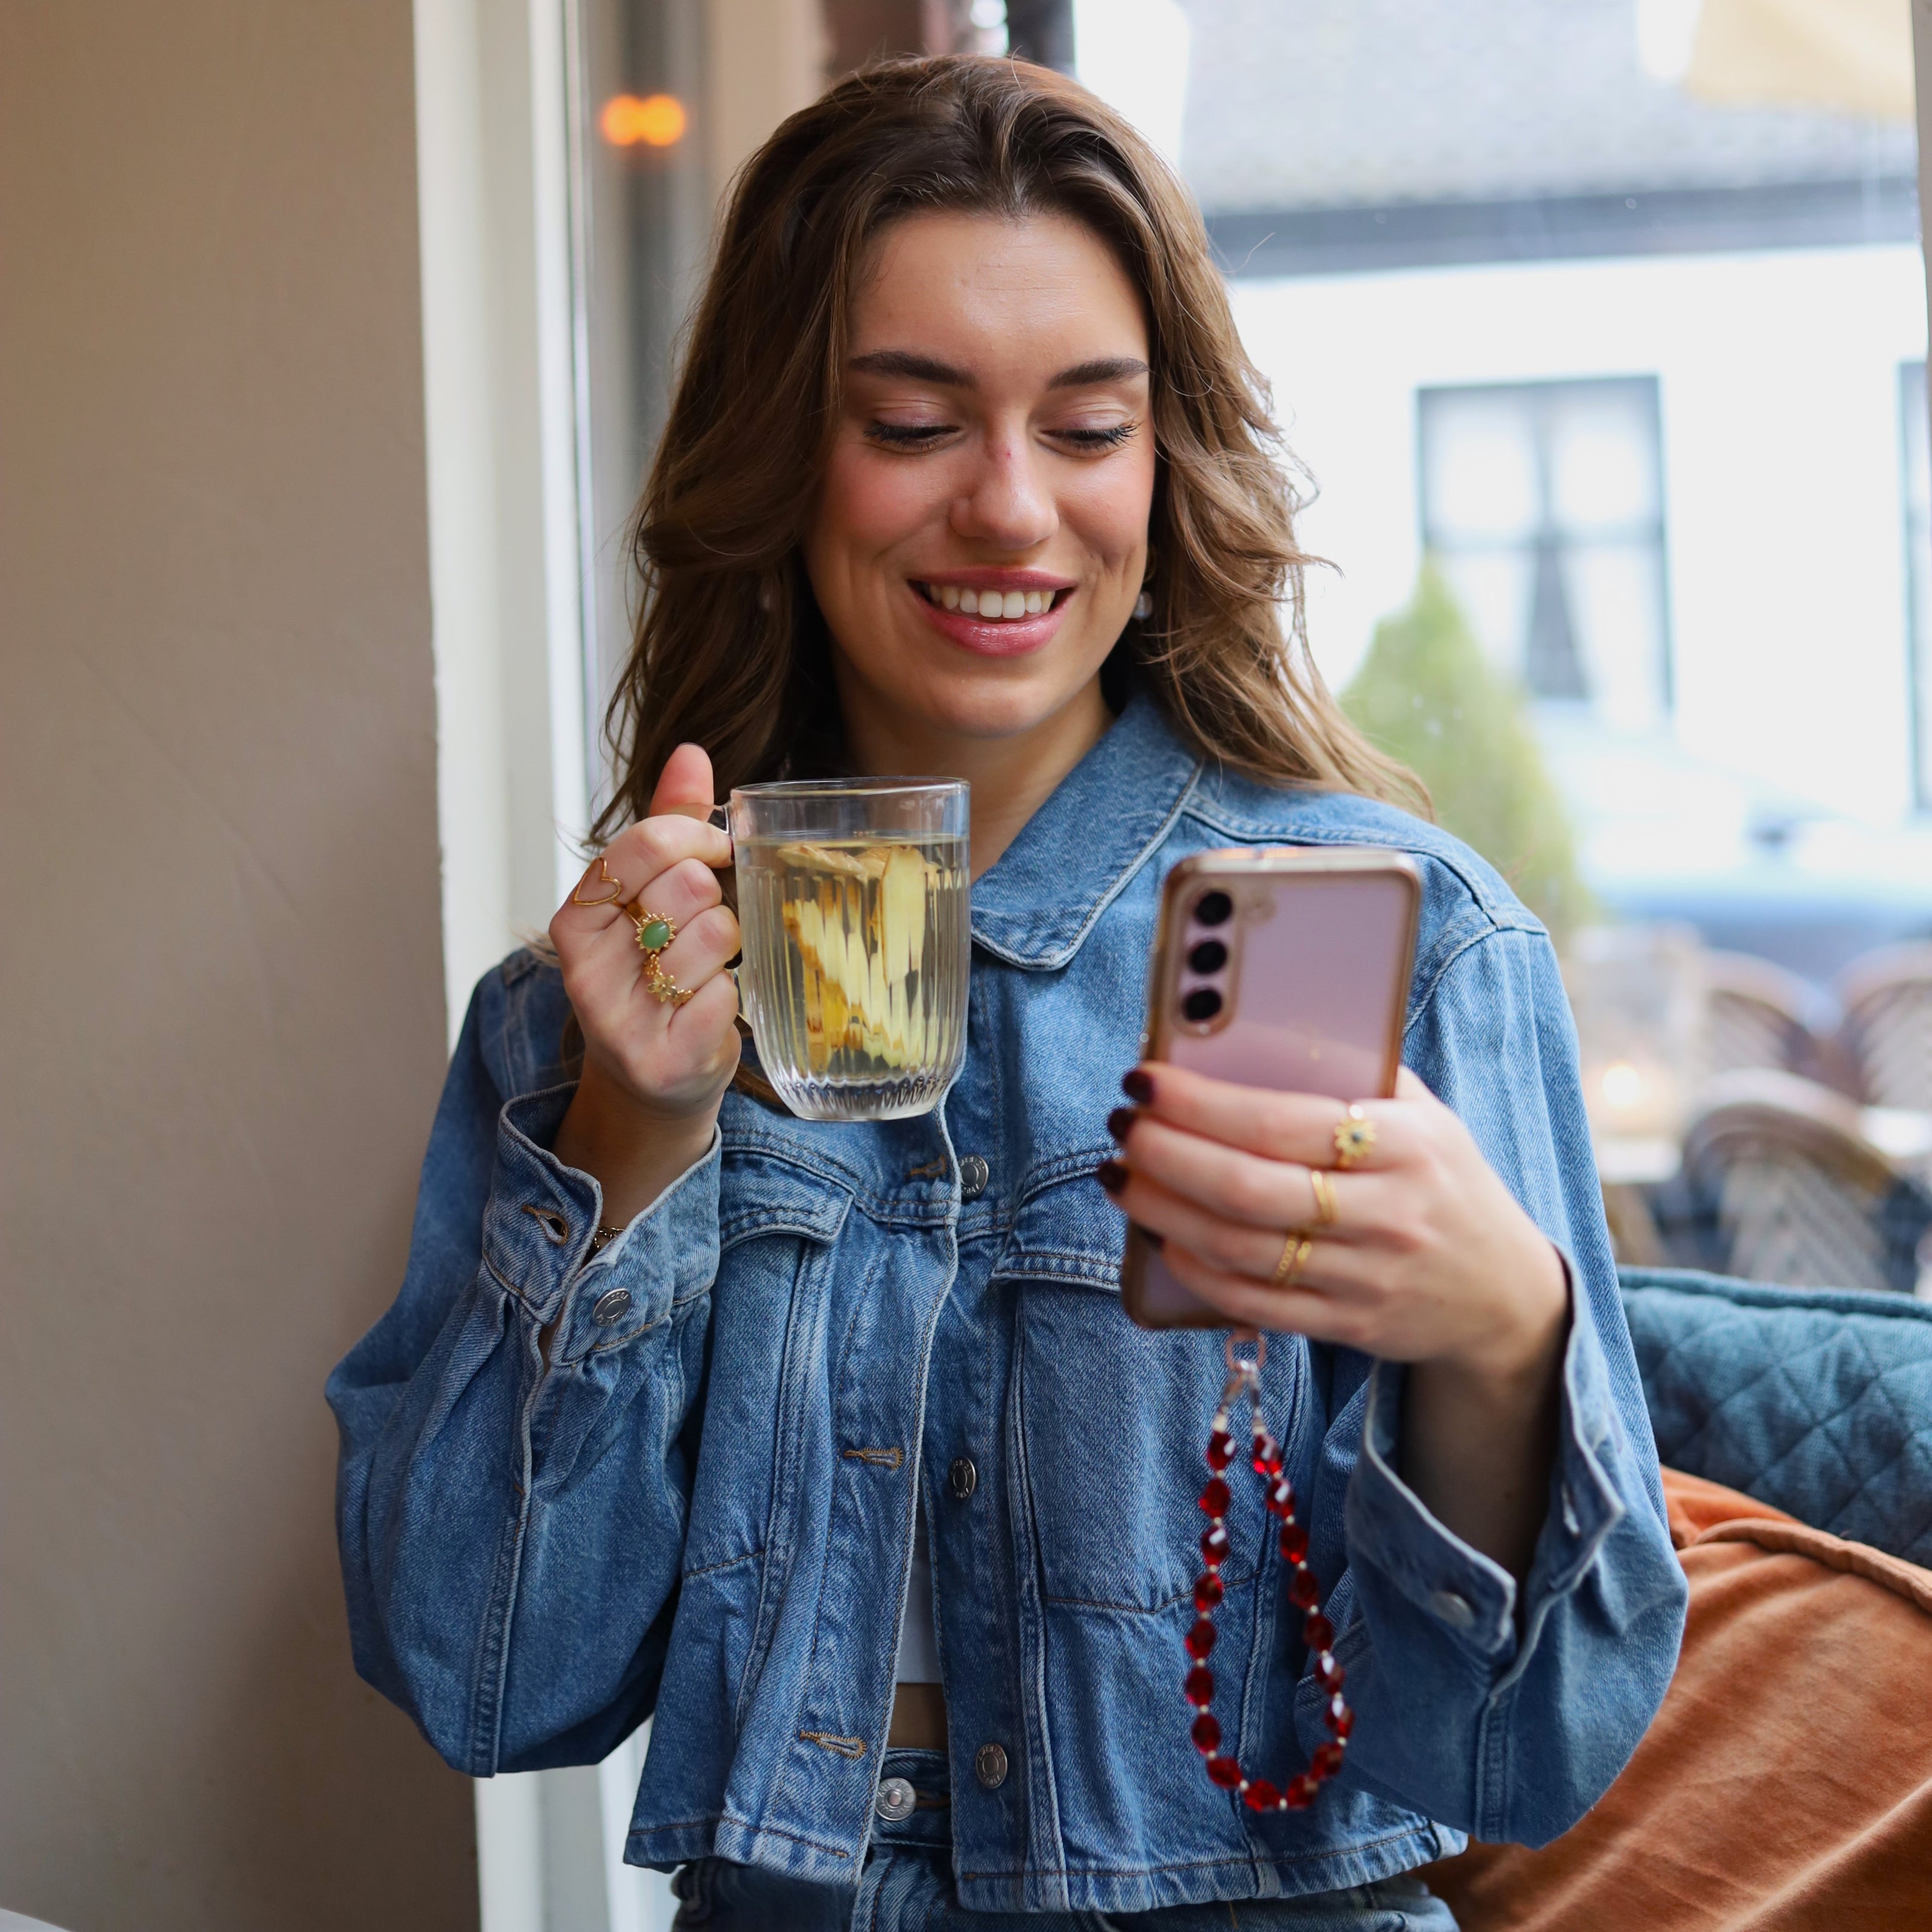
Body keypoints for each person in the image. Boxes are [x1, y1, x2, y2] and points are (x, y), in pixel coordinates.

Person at [328, 55, 1686, 1930]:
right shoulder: (605, 1007)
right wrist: (629, 1142)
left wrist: (1496, 1336)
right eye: (911, 421)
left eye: (1085, 426)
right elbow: (487, 1686)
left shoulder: (1415, 947)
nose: (1009, 510)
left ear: (1164, 458)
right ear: (785, 454)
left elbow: (1527, 1763)